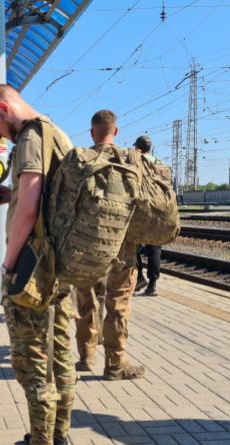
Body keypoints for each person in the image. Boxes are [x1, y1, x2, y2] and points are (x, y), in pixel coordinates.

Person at [0, 83, 76, 445]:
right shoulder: (58, 133)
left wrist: (10, 260)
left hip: (34, 266)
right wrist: (7, 195)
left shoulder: (31, 136)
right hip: (59, 266)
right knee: (61, 352)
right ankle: (57, 436)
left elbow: (31, 205)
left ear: (4, 106)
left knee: (32, 361)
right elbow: (37, 197)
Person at [74, 112, 145, 381]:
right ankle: (115, 363)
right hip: (122, 248)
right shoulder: (130, 160)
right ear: (116, 132)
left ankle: (86, 356)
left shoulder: (81, 161)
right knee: (118, 304)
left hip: (84, 246)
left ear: (92, 133)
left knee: (85, 302)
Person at [133, 135, 162, 297]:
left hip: (141, 211)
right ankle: (152, 285)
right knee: (154, 249)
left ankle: (139, 277)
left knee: (132, 246)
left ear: (138, 148)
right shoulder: (159, 163)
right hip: (158, 211)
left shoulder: (136, 162)